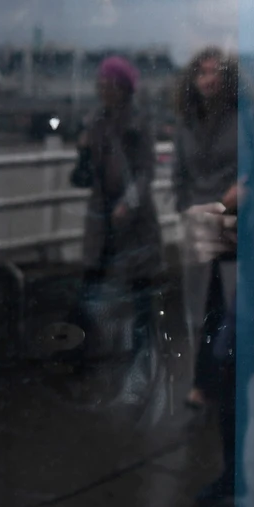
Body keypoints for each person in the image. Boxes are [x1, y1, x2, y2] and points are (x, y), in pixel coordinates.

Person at [74, 54, 162, 408]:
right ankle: (91, 356)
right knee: (92, 292)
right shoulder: (94, 122)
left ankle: (140, 365)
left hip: (134, 225)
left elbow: (146, 171)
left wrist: (129, 203)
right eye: (101, 83)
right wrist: (81, 151)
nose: (103, 89)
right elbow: (82, 177)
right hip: (102, 224)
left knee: (141, 299)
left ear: (123, 88)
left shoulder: (139, 123)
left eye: (109, 83)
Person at [173, 48, 242, 421]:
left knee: (225, 303)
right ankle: (206, 382)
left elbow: (253, 163)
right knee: (202, 307)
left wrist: (236, 194)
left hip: (232, 219)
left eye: (215, 73)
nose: (208, 79)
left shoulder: (239, 116)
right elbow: (179, 175)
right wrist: (186, 208)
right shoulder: (186, 122)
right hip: (199, 221)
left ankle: (212, 382)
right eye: (201, 73)